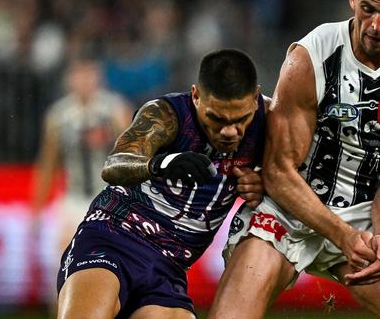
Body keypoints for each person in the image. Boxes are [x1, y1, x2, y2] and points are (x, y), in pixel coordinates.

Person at [210, 0, 380, 318]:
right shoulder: (311, 57)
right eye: (368, 8)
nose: (376, 25)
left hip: (364, 216)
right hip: (288, 212)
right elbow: (279, 171)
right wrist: (340, 235)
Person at [56, 49, 268, 319]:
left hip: (169, 267)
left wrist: (264, 182)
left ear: (255, 99)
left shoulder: (271, 120)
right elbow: (113, 165)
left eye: (240, 120)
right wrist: (160, 165)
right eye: (216, 118)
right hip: (113, 237)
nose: (229, 131)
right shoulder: (167, 114)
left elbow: (294, 176)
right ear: (196, 96)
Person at [32, 59, 132, 253]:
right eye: (79, 75)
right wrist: (37, 209)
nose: (85, 81)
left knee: (110, 258)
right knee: (65, 259)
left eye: (89, 74)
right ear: (69, 79)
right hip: (73, 197)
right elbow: (48, 163)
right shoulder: (59, 115)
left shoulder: (116, 110)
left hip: (108, 197)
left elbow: (132, 155)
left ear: (99, 77)